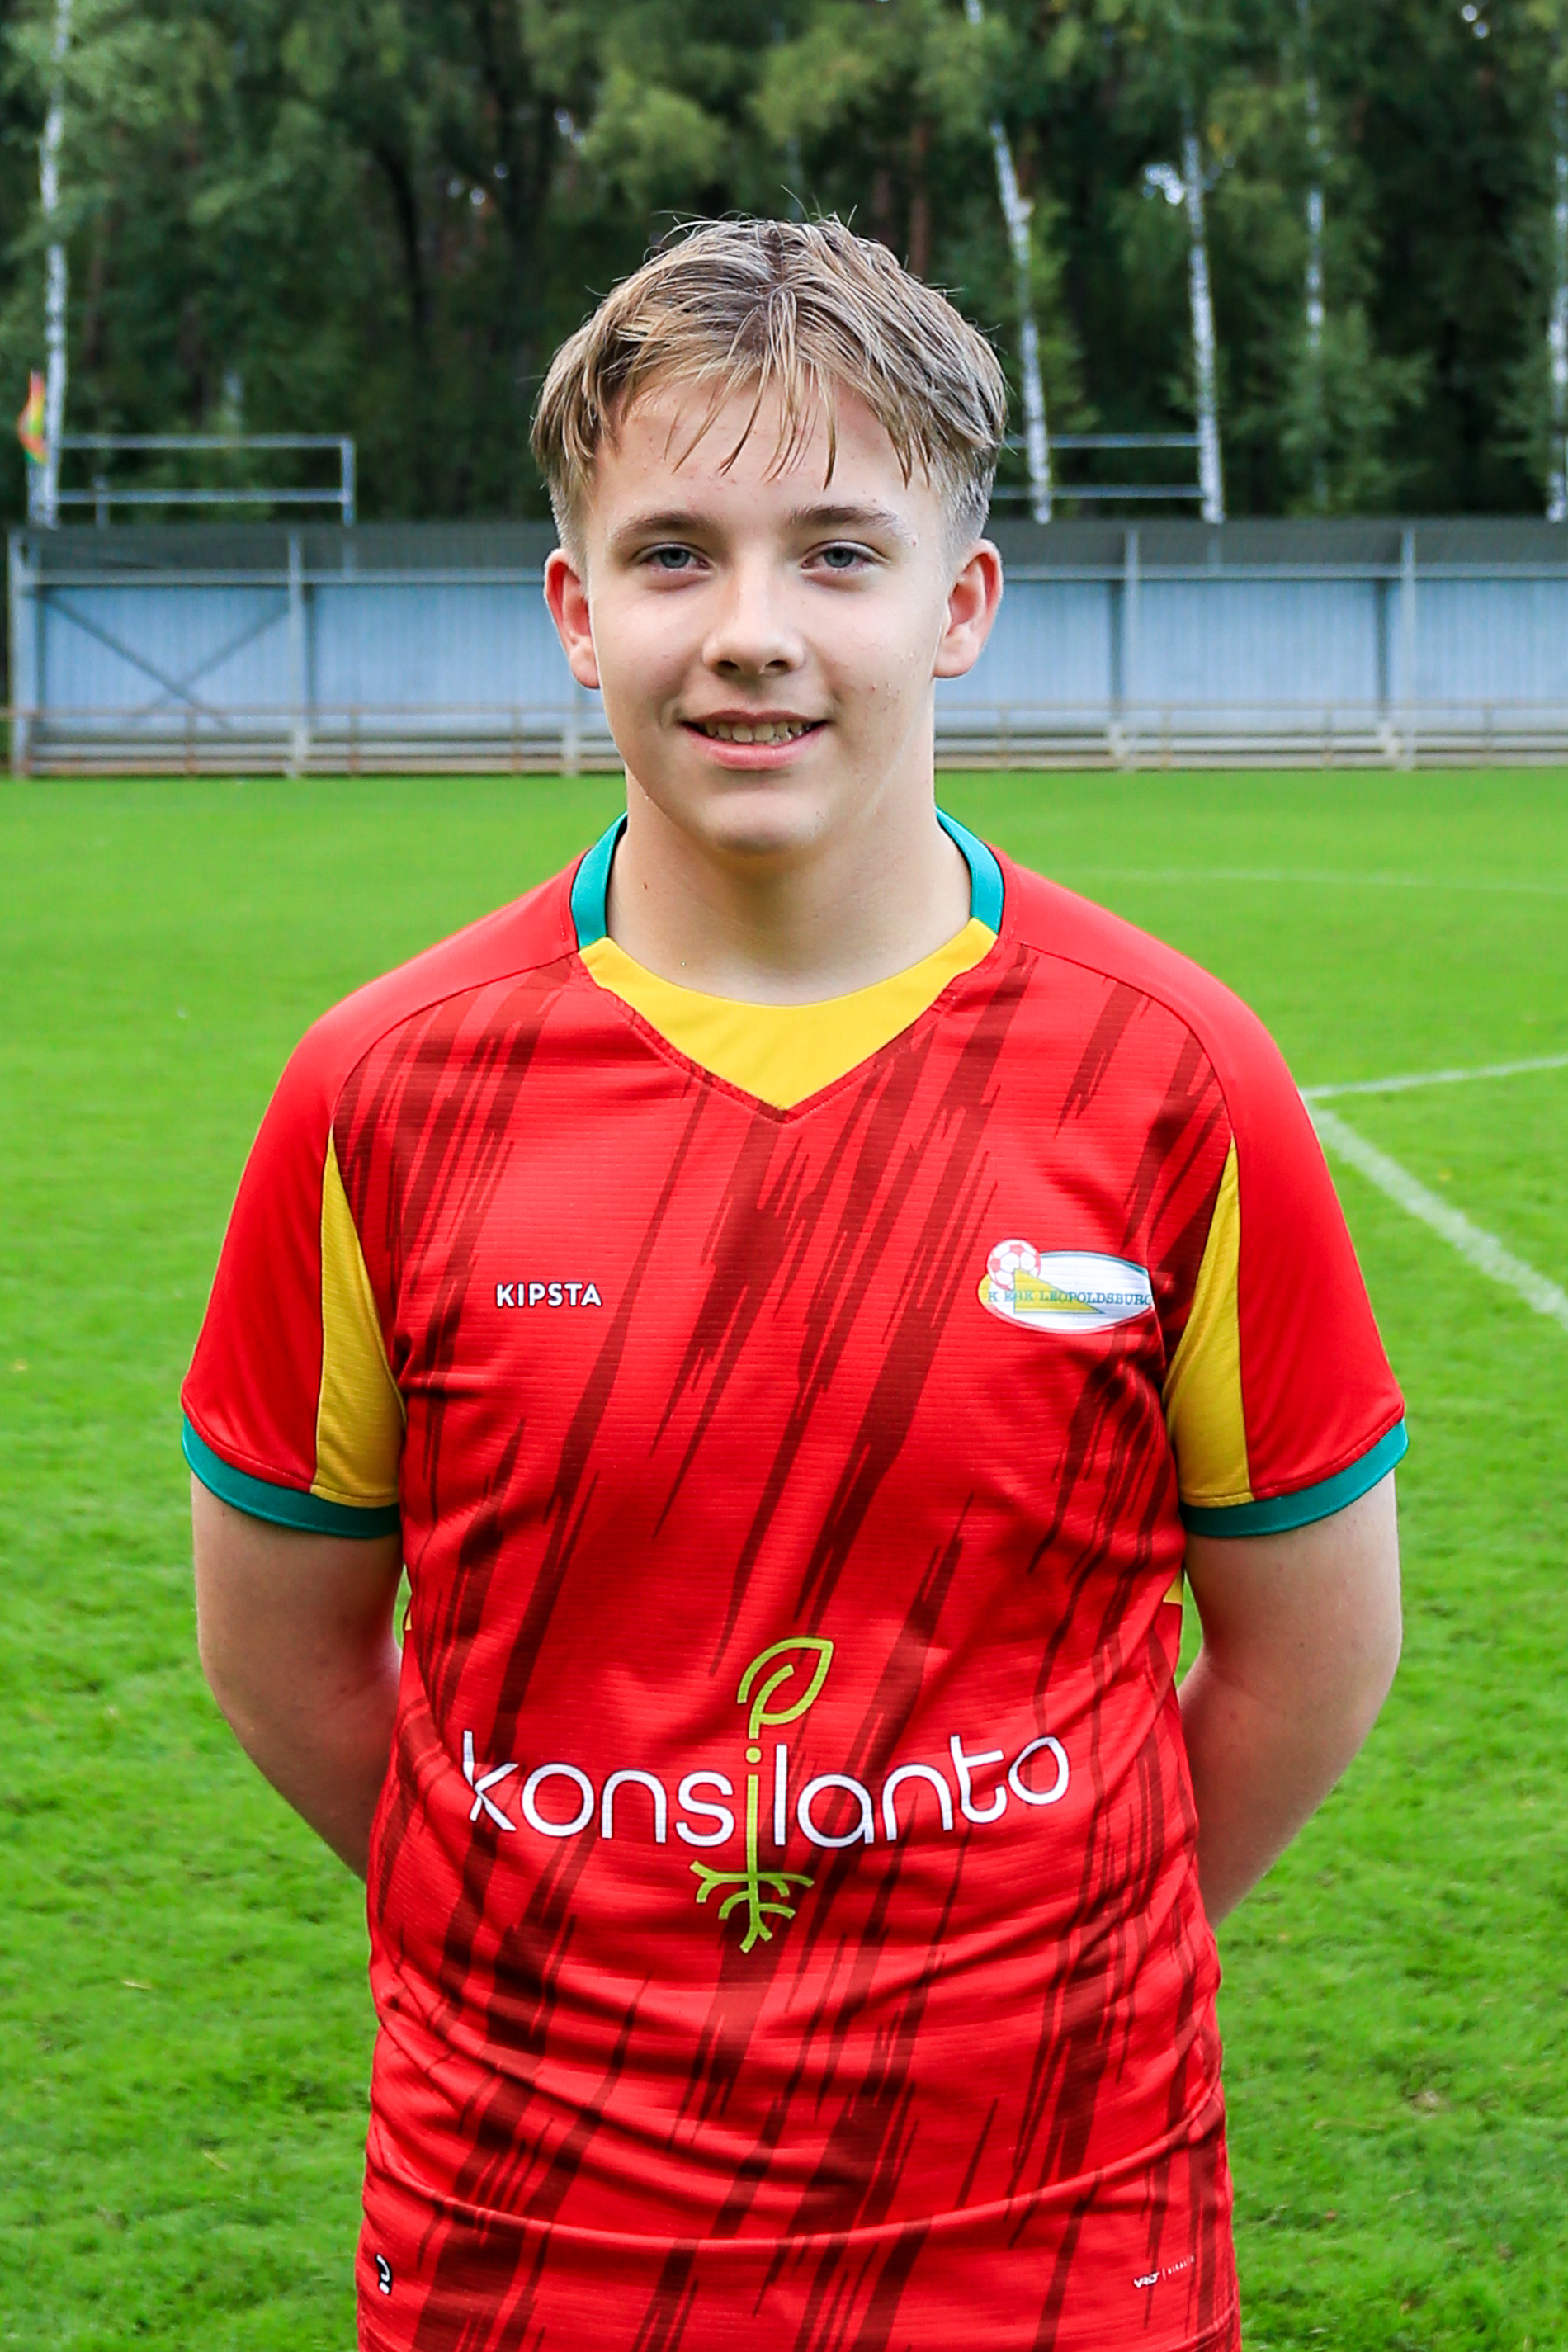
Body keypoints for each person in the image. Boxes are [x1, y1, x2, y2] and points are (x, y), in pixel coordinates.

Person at [184, 216, 1405, 2352]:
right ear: (576, 611)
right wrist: (552, 1947)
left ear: (961, 603)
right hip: (528, 2226)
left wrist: (1038, 1964)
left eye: (838, 552)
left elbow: (1310, 1653)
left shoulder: (1174, 1077)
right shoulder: (380, 1093)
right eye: (675, 554)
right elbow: (284, 1658)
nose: (751, 632)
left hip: (1055, 2218)